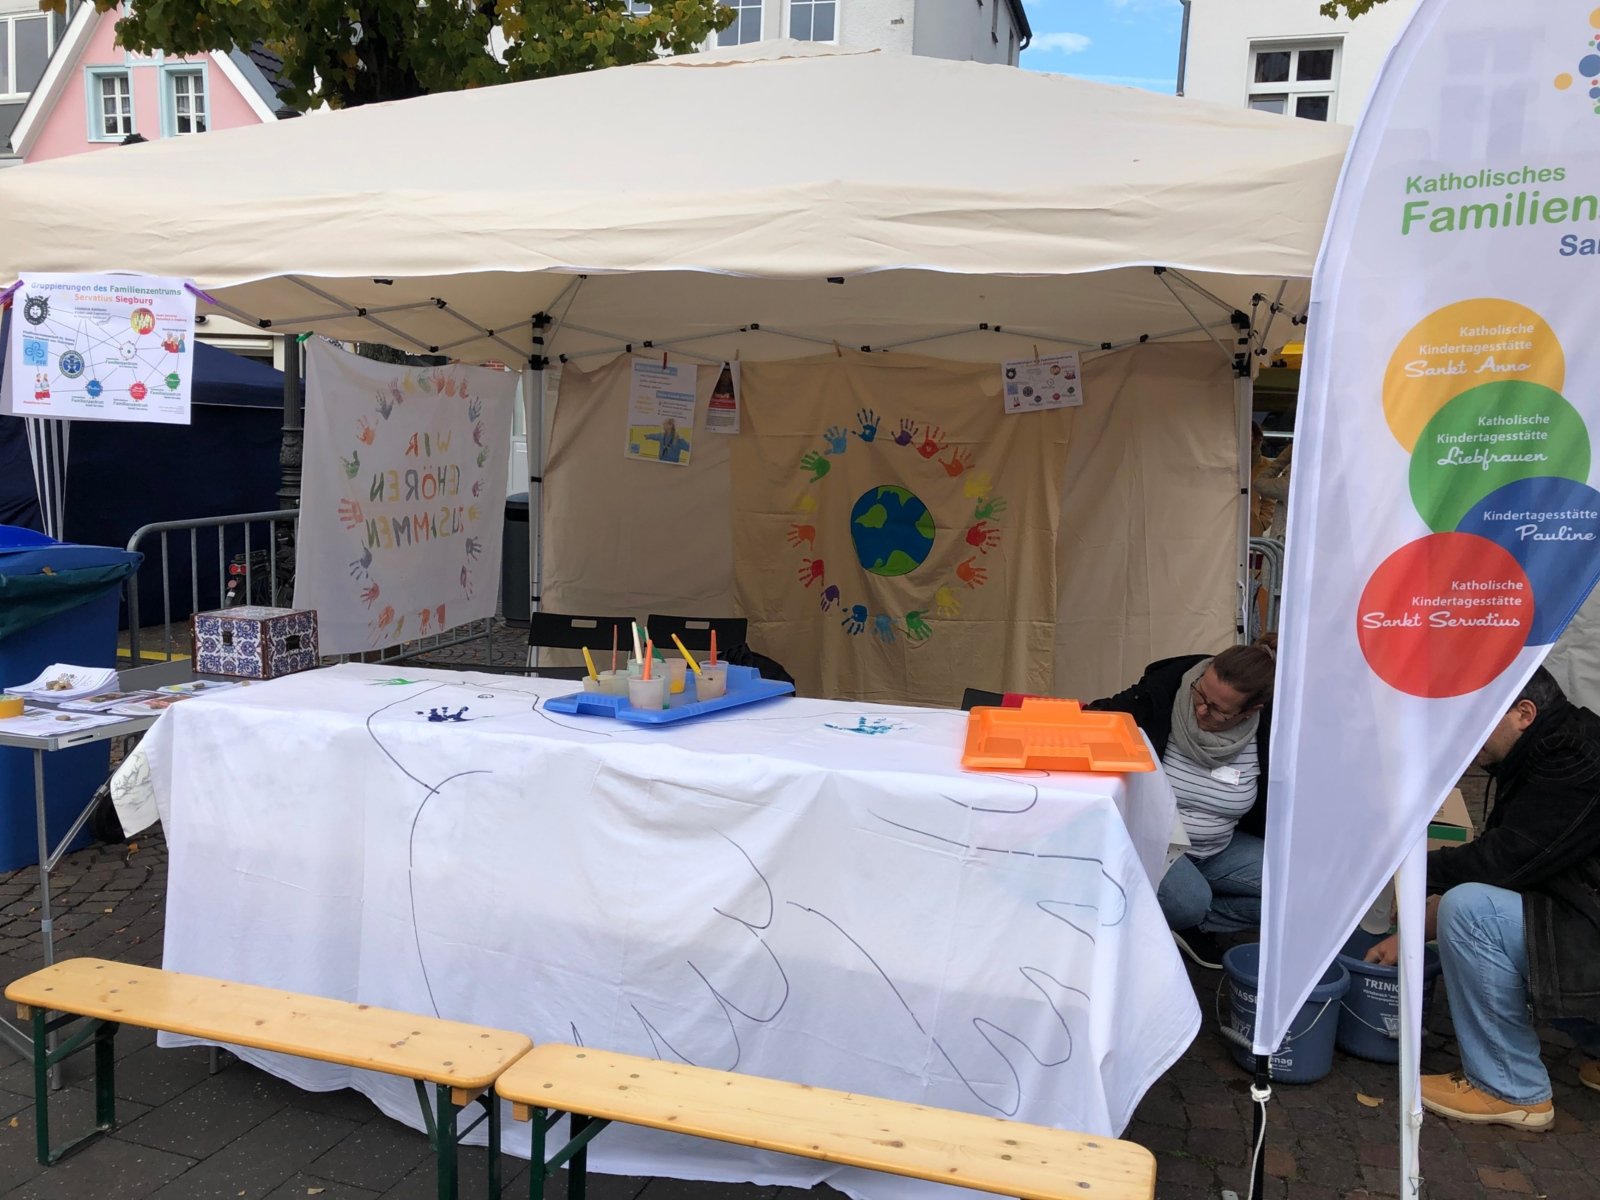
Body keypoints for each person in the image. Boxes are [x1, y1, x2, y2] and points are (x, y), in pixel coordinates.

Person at [1364, 668, 1600, 1130]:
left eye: (1475, 721)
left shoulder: (1573, 759)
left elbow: (1505, 862)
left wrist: (1415, 876)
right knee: (1475, 909)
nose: (1465, 737)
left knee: (1471, 912)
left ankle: (1510, 1088)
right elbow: (1530, 861)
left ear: (1524, 714)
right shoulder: (1559, 744)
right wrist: (1414, 923)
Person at [1089, 637, 1277, 969]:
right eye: (1200, 694)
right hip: (1155, 843)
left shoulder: (1268, 731)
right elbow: (1096, 720)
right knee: (1191, 900)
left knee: (1290, 886)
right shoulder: (1161, 696)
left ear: (1250, 712)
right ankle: (1174, 914)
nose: (1201, 709)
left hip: (1219, 847)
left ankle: (1187, 924)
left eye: (1218, 710)